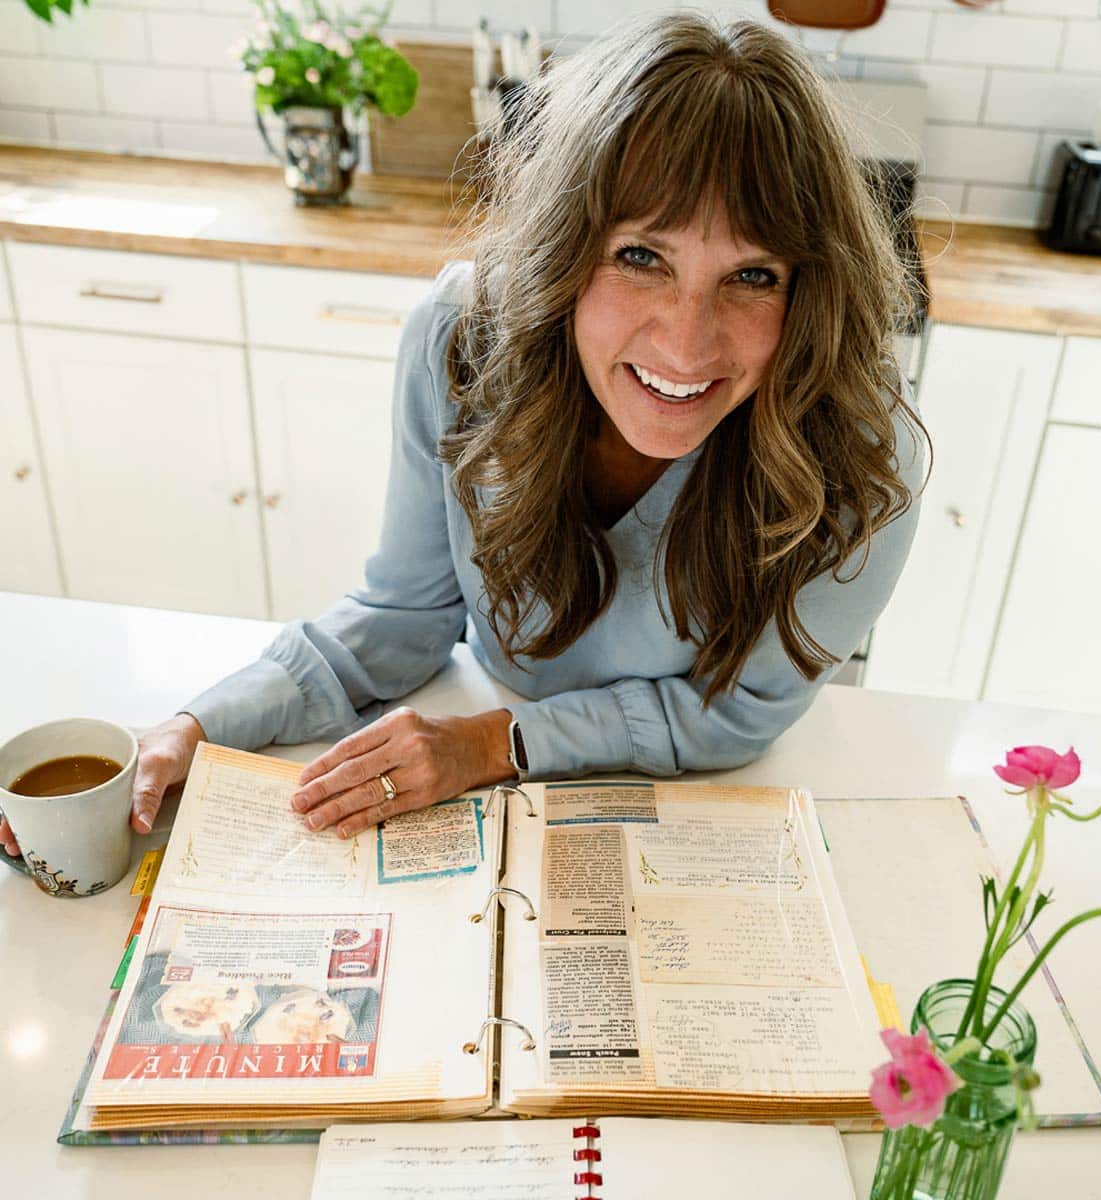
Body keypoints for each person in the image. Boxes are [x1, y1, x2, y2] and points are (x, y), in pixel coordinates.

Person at [2, 11, 927, 860]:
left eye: (752, 276)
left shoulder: (863, 453)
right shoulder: (461, 340)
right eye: (641, 258)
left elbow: (739, 716)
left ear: (811, 288)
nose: (687, 342)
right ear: (567, 251)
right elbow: (403, 620)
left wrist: (495, 744)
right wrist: (196, 727)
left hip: (711, 814)